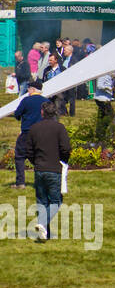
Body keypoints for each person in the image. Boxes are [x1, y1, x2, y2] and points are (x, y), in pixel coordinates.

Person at [18, 100, 70, 241]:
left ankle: (43, 233)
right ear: (54, 112)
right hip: (54, 169)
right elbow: (66, 148)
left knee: (42, 202)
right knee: (56, 201)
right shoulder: (59, 128)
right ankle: (41, 223)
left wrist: (36, 162)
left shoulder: (34, 128)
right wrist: (63, 160)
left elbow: (28, 151)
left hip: (39, 169)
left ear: (42, 112)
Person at [9, 79, 47, 189]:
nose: (28, 91)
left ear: (32, 89)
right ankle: (42, 182)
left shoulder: (26, 101)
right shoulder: (46, 101)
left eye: (29, 88)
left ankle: (20, 182)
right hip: (42, 133)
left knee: (20, 156)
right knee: (39, 157)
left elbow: (17, 114)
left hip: (27, 132)